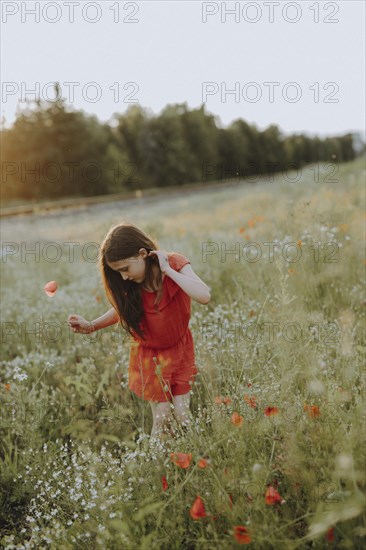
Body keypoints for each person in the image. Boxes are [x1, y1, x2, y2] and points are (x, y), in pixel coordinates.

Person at [68, 221, 211, 443]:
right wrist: (92, 325)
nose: (124, 277)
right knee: (162, 417)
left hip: (181, 349)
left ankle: (198, 459)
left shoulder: (174, 263)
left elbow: (204, 295)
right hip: (151, 357)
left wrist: (168, 271)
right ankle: (157, 468)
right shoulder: (132, 284)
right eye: (119, 272)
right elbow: (121, 310)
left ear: (142, 254)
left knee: (183, 415)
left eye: (125, 269)